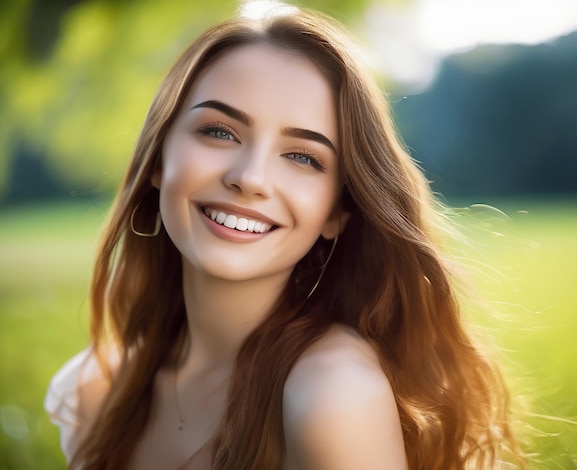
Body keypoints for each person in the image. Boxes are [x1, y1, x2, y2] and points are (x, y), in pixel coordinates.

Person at [45, 3, 524, 469]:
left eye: (303, 157)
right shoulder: (97, 388)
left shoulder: (333, 393)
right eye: (218, 131)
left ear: (338, 211)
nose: (250, 177)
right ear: (158, 158)